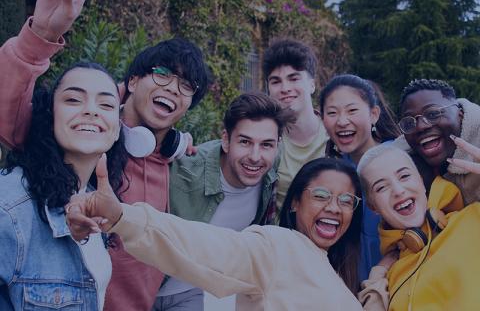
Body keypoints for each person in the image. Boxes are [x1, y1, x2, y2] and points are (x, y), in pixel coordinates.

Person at [0, 0, 210, 310]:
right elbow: (8, 105)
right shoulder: (28, 186)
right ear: (130, 83)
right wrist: (41, 35)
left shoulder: (179, 165)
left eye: (187, 85)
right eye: (162, 74)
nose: (174, 88)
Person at [66, 157, 364, 310]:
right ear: (296, 202)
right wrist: (123, 216)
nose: (335, 208)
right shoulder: (276, 247)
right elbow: (204, 246)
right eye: (322, 195)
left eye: (347, 201)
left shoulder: (336, 273)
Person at [0, 61, 128, 310]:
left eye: (106, 104)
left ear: (116, 130)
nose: (91, 111)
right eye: (73, 100)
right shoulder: (10, 206)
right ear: (50, 116)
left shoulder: (95, 200)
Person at [154, 92, 295, 310]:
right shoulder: (185, 170)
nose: (255, 156)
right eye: (245, 142)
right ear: (226, 141)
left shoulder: (270, 172)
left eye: (266, 145)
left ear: (277, 145)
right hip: (145, 284)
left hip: (192, 291)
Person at [357, 144, 480, 310]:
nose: (398, 190)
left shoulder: (473, 218)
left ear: (421, 183)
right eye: (381, 187)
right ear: (373, 207)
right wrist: (377, 276)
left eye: (404, 176)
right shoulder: (388, 278)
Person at [319, 74, 400, 280]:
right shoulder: (334, 170)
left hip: (398, 281)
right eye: (332, 113)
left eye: (352, 110)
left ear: (374, 114)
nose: (342, 121)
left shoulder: (398, 160)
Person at [262, 39, 329, 211]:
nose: (285, 88)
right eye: (276, 81)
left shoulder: (335, 136)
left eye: (293, 78)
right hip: (278, 235)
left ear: (312, 84)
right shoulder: (266, 140)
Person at [395, 79, 480, 204]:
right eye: (409, 122)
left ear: (460, 113)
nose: (420, 127)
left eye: (433, 114)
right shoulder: (404, 169)